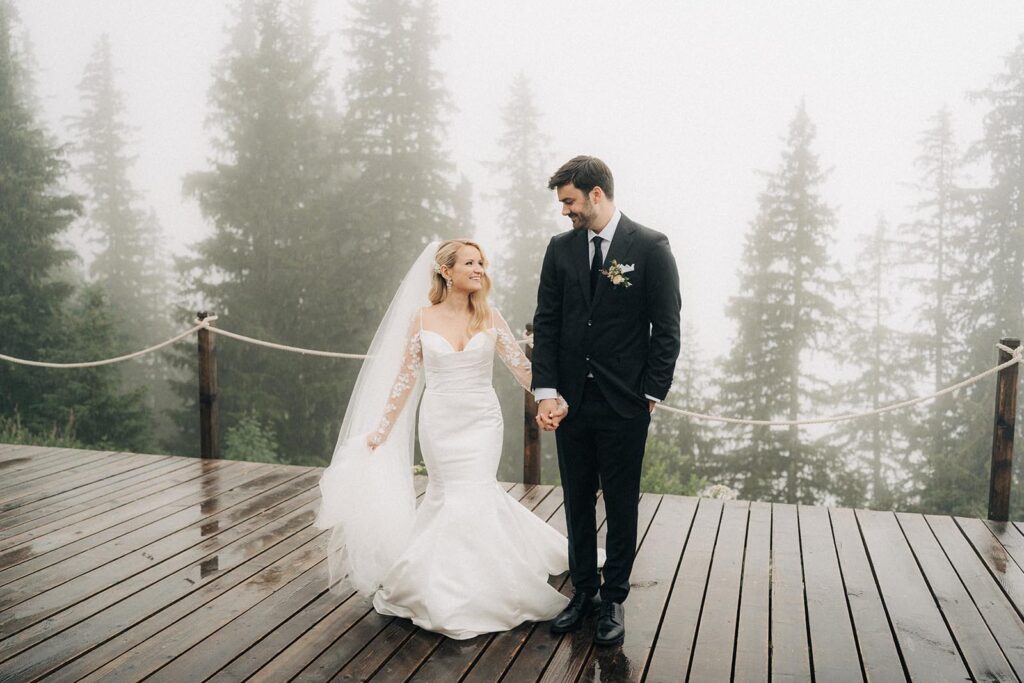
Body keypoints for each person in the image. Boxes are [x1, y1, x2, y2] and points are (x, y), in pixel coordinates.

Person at [314, 238, 600, 640]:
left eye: (482, 262)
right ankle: (444, 587)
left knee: (476, 492)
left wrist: (553, 398)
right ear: (446, 271)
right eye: (470, 262)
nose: (480, 269)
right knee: (448, 496)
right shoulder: (423, 318)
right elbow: (404, 379)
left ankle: (487, 585)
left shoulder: (491, 316)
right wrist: (381, 431)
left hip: (483, 420)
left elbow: (522, 369)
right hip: (440, 422)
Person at [532, 156, 681, 646]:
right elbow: (547, 322)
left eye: (570, 201)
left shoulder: (652, 247)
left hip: (625, 404)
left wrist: (651, 393)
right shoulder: (560, 249)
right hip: (571, 403)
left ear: (597, 195)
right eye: (562, 203)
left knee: (620, 503)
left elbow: (667, 328)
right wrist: (548, 391)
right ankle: (583, 592)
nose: (565, 212)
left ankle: (613, 597)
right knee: (575, 499)